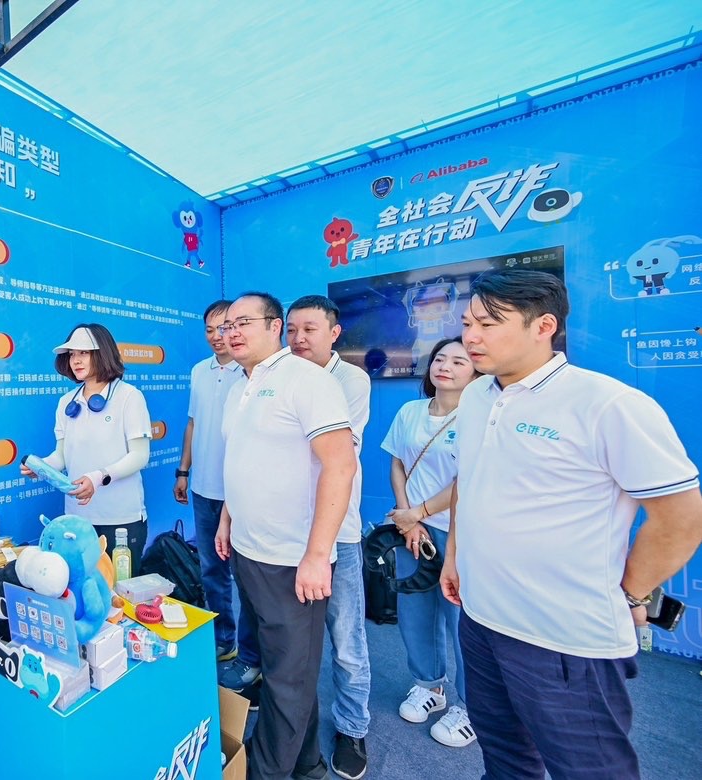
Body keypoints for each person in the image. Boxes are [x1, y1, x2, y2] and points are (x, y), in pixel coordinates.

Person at [441, 270, 702, 780]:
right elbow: (467, 483)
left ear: (544, 326)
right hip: (481, 621)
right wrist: (455, 557)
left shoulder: (607, 404)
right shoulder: (476, 397)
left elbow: (681, 517)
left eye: (489, 324)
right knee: (505, 761)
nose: (471, 336)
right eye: (468, 322)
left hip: (565, 640)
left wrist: (630, 595)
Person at [215, 292, 356, 780]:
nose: (231, 332)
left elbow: (340, 466)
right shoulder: (239, 386)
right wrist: (228, 517)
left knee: (286, 679)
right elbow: (243, 459)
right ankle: (308, 764)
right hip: (249, 550)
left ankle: (265, 772)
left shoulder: (307, 380)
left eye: (244, 322)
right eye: (226, 325)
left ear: (275, 326)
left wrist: (317, 556)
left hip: (292, 561)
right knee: (286, 668)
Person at [283, 294, 372, 780]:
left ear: (334, 333)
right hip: (286, 531)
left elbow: (328, 455)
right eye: (292, 329)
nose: (298, 339)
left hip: (338, 532)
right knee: (290, 637)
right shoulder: (279, 376)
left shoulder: (350, 381)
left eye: (310, 329)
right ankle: (290, 724)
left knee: (345, 638)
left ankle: (352, 727)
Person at [381, 337, 479, 748]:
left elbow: (466, 480)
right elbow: (397, 464)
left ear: (476, 373)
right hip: (413, 531)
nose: (446, 366)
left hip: (460, 532)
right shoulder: (410, 411)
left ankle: (472, 707)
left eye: (458, 361)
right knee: (415, 612)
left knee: (462, 623)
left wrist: (418, 512)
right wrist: (408, 519)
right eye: (440, 358)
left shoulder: (479, 417)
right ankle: (429, 686)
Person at [21, 323, 152, 574]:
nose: (76, 360)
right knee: (81, 589)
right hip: (77, 521)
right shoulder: (66, 402)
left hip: (120, 519)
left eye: (84, 353)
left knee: (119, 592)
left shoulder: (129, 397)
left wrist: (98, 477)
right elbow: (62, 455)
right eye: (72, 354)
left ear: (103, 353)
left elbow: (139, 456)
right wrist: (42, 468)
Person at [174, 299, 242, 661]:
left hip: (240, 492)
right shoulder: (199, 370)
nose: (217, 336)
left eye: (225, 328)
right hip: (202, 488)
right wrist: (183, 471)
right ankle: (224, 639)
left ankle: (255, 651)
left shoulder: (250, 372)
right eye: (210, 330)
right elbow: (192, 423)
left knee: (247, 573)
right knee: (212, 569)